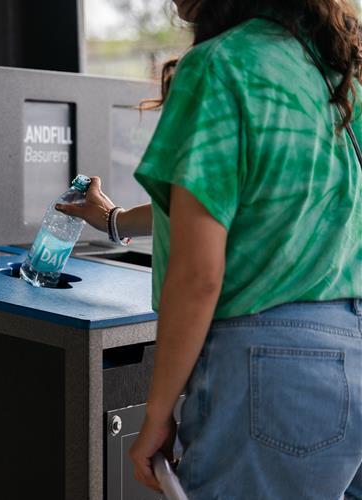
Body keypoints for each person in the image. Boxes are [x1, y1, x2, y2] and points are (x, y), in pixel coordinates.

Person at [58, 0, 362, 497]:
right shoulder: (332, 70)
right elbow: (246, 209)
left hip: (272, 375)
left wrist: (157, 414)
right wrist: (113, 219)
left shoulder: (219, 65)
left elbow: (198, 274)